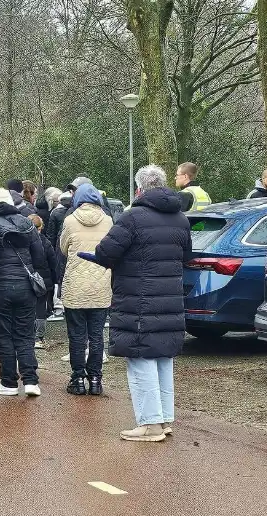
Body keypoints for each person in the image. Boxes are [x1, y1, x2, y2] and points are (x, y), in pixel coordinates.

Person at [83, 165, 192, 442]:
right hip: (170, 301)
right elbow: (185, 256)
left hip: (138, 299)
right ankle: (165, 418)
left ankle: (150, 424)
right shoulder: (180, 218)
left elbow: (106, 252)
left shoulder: (133, 218)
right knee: (163, 358)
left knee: (141, 358)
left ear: (139, 189)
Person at [0, 187, 50, 398]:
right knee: (25, 334)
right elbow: (39, 256)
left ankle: (8, 382)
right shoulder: (28, 224)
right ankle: (31, 380)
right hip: (25, 286)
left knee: (3, 334)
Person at [59, 183, 114, 395]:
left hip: (76, 286)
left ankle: (78, 379)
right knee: (97, 335)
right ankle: (96, 379)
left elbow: (63, 248)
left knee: (77, 336)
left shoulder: (70, 220)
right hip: (101, 285)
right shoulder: (108, 220)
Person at [27, 214, 59, 350]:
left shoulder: (21, 242)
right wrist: (54, 280)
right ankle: (38, 337)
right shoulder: (45, 242)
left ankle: (27, 334)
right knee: (41, 309)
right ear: (40, 228)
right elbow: (53, 263)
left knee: (27, 308)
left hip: (26, 279)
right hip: (43, 281)